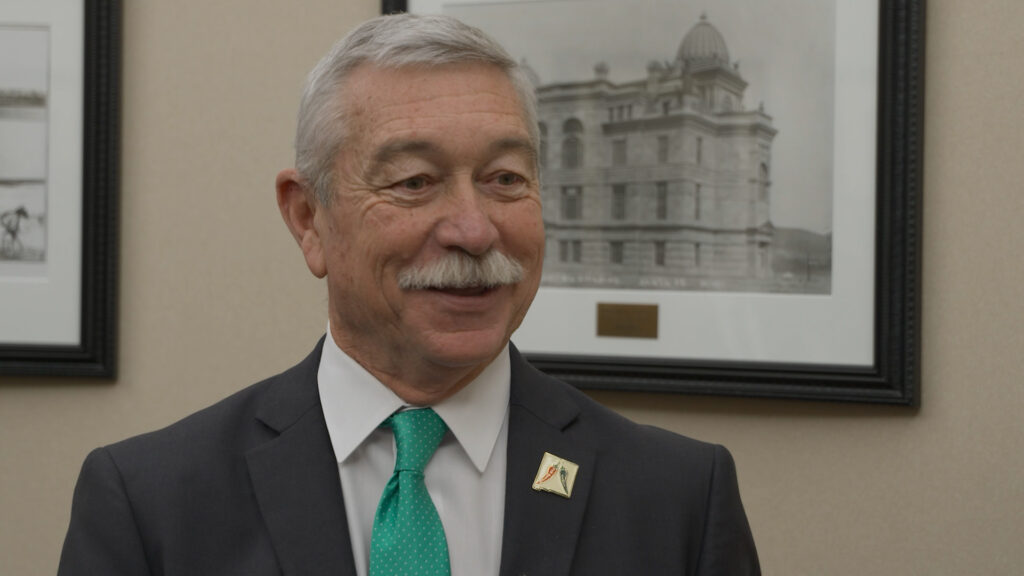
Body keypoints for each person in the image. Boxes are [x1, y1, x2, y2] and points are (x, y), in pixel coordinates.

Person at [58, 13, 759, 575]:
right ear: (309, 219)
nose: (475, 229)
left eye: (507, 178)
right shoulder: (150, 504)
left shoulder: (679, 501)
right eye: (415, 182)